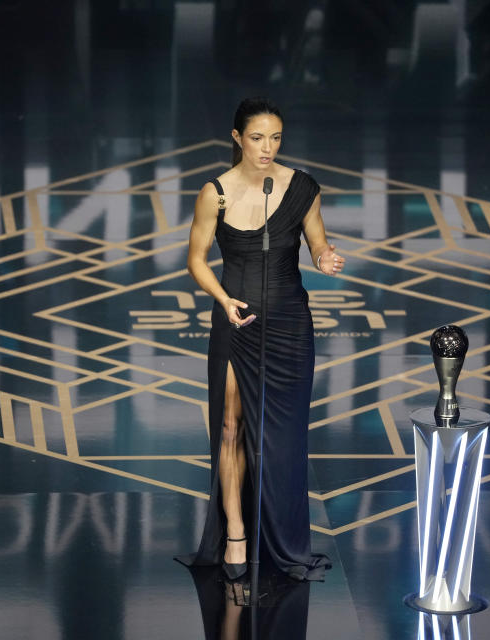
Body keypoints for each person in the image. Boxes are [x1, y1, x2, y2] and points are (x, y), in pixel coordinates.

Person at [177, 97, 344, 582]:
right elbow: (195, 259)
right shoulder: (216, 193)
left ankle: (283, 537)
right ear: (236, 138)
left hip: (290, 323)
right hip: (238, 322)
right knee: (231, 430)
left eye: (275, 138)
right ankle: (235, 533)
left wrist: (325, 257)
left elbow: (316, 242)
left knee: (283, 438)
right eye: (257, 138)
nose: (267, 148)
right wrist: (223, 300)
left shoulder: (302, 188)